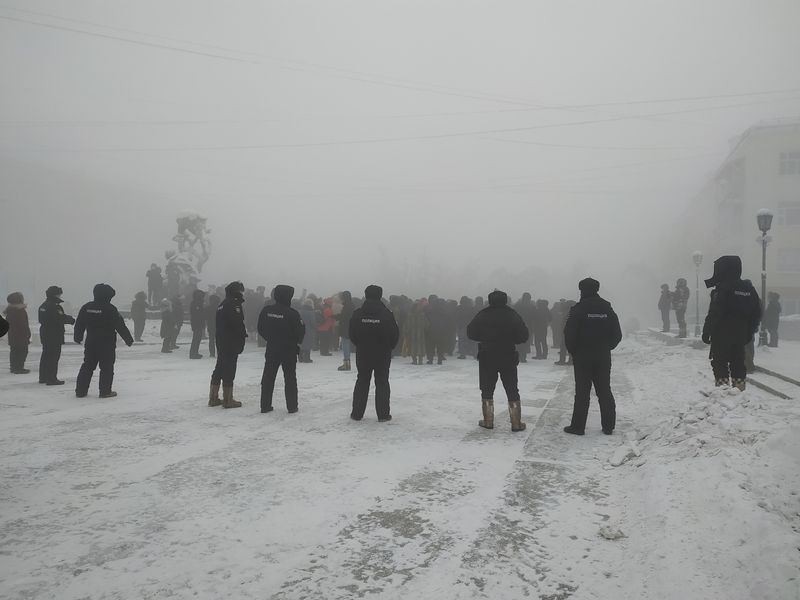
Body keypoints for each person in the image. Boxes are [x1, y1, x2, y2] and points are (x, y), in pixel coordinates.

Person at [563, 278, 622, 435]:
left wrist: (574, 351)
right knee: (604, 389)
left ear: (581, 290)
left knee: (582, 392)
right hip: (602, 355)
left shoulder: (578, 309)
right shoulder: (607, 308)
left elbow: (569, 333)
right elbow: (617, 334)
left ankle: (578, 426)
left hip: (583, 356)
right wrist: (606, 347)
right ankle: (608, 425)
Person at [467, 290, 529, 431]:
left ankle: (488, 421)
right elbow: (523, 335)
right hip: (508, 355)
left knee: (487, 389)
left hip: (487, 356)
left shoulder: (483, 314)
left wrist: (484, 338)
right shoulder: (512, 315)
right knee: (512, 388)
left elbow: (470, 332)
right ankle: (516, 423)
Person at [702, 256, 761, 391]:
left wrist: (707, 331)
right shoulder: (749, 288)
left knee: (720, 362)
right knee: (738, 362)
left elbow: (715, 312)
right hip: (740, 334)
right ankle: (739, 389)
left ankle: (723, 390)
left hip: (721, 333)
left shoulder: (722, 288)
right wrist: (749, 332)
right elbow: (756, 313)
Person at [349, 285, 399, 422]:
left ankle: (357, 413)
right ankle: (383, 414)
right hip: (382, 353)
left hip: (363, 352)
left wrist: (360, 345)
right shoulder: (387, 314)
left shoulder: (358, 314)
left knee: (362, 381)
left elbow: (351, 333)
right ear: (380, 295)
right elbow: (394, 334)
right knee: (382, 382)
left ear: (366, 295)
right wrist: (389, 347)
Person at [74, 284, 134, 398]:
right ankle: (105, 391)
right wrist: (128, 339)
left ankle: (80, 391)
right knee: (106, 367)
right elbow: (120, 325)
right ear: (108, 296)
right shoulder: (110, 309)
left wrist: (78, 336)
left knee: (87, 365)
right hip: (106, 343)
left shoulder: (87, 307)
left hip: (91, 342)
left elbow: (79, 323)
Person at [258, 285, 305, 413]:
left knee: (268, 377)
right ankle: (292, 406)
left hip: (272, 347)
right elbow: (300, 332)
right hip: (288, 349)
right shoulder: (292, 313)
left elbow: (260, 328)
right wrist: (295, 342)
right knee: (290, 378)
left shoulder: (267, 310)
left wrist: (270, 338)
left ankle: (265, 405)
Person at [209, 281, 247, 409]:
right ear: (237, 291)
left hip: (221, 340)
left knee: (219, 367)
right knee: (229, 369)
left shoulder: (222, 304)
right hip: (231, 341)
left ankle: (213, 397)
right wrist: (242, 338)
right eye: (241, 290)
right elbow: (237, 324)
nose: (243, 293)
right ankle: (228, 400)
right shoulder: (233, 304)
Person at [38, 285, 76, 385]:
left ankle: (43, 377)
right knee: (53, 357)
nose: (60, 296)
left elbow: (42, 319)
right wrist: (71, 320)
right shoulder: (54, 306)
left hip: (45, 333)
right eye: (59, 294)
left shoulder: (43, 305)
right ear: (56, 295)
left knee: (46, 355)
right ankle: (51, 378)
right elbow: (60, 318)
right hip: (54, 334)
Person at [5, 292, 31, 374]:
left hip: (13, 335)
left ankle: (14, 367)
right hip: (21, 335)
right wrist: (27, 333)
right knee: (22, 351)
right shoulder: (19, 311)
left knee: (14, 351)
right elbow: (23, 324)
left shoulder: (10, 310)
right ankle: (19, 367)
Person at [513, 293, 535, 363]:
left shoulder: (517, 305)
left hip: (518, 326)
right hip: (528, 326)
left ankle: (518, 356)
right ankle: (523, 357)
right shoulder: (532, 306)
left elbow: (514, 314)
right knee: (525, 342)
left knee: (518, 342)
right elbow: (534, 317)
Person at [404, 299, 427, 365]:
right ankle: (420, 360)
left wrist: (405, 332)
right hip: (420, 334)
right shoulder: (422, 315)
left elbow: (406, 325)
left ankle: (414, 360)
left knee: (412, 347)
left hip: (412, 334)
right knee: (420, 347)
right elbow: (426, 324)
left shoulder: (410, 315)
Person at [336, 291, 354, 371]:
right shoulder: (351, 305)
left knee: (345, 345)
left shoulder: (347, 306)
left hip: (345, 328)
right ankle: (347, 363)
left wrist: (334, 316)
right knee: (346, 345)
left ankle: (346, 364)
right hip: (349, 327)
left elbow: (343, 317)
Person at [188, 289, 206, 359]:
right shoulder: (196, 303)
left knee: (197, 339)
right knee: (196, 339)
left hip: (198, 323)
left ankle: (195, 352)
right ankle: (193, 353)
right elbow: (197, 314)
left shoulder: (198, 302)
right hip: (197, 323)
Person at [205, 293, 220, 358]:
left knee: (211, 340)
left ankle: (212, 353)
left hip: (211, 326)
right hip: (220, 326)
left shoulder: (208, 308)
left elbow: (205, 317)